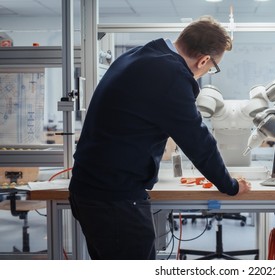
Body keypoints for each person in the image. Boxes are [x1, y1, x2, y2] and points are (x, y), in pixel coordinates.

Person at [68, 16, 252, 260]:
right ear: (204, 60)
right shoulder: (172, 75)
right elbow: (198, 142)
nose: (208, 71)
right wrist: (230, 185)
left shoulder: (140, 55)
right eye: (212, 68)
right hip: (115, 199)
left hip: (92, 190)